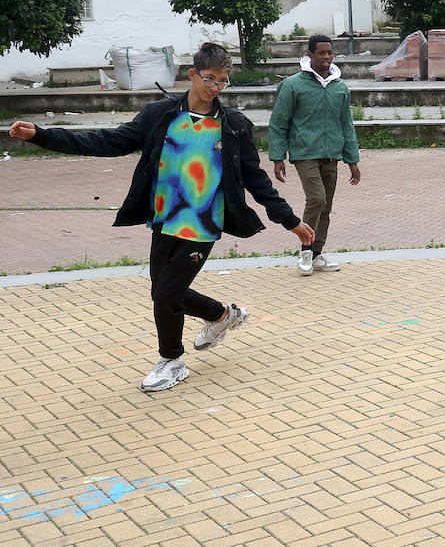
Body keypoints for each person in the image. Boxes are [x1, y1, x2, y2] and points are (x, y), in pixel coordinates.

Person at [7, 42, 314, 392]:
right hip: (165, 220)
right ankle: (222, 316)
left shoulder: (233, 126)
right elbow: (108, 141)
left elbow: (255, 178)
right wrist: (44, 135)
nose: (215, 88)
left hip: (203, 224)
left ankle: (172, 361)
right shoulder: (162, 115)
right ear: (193, 74)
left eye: (223, 81)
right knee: (164, 293)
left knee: (167, 293)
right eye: (210, 79)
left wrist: (289, 219)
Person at [268, 35, 361, 276]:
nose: (327, 57)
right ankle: (306, 251)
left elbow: (346, 125)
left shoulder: (340, 87)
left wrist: (352, 160)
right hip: (304, 153)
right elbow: (279, 122)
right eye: (321, 53)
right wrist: (278, 157)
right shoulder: (292, 85)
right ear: (309, 55)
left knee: (326, 206)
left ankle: (318, 254)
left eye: (330, 53)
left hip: (331, 154)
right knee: (317, 199)